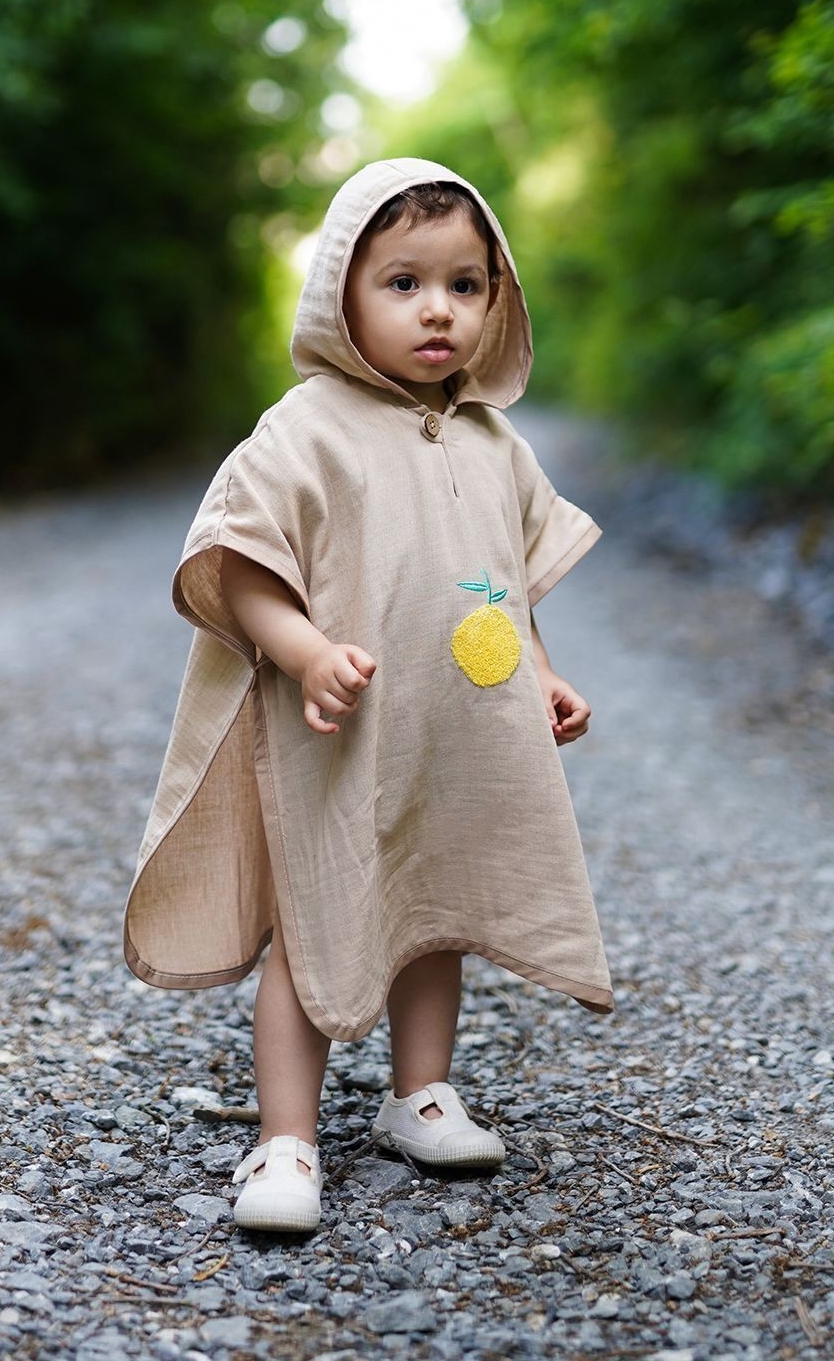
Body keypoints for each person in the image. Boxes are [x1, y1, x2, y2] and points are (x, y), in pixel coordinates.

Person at [123, 157, 612, 1233]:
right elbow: (243, 564)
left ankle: (417, 1094)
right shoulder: (307, 431)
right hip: (341, 735)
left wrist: (542, 672)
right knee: (320, 916)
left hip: (453, 739)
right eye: (402, 282)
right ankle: (285, 1143)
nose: (437, 309)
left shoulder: (492, 442)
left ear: (498, 298)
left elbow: (505, 582)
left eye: (465, 285)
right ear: (342, 293)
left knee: (432, 911)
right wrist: (303, 653)